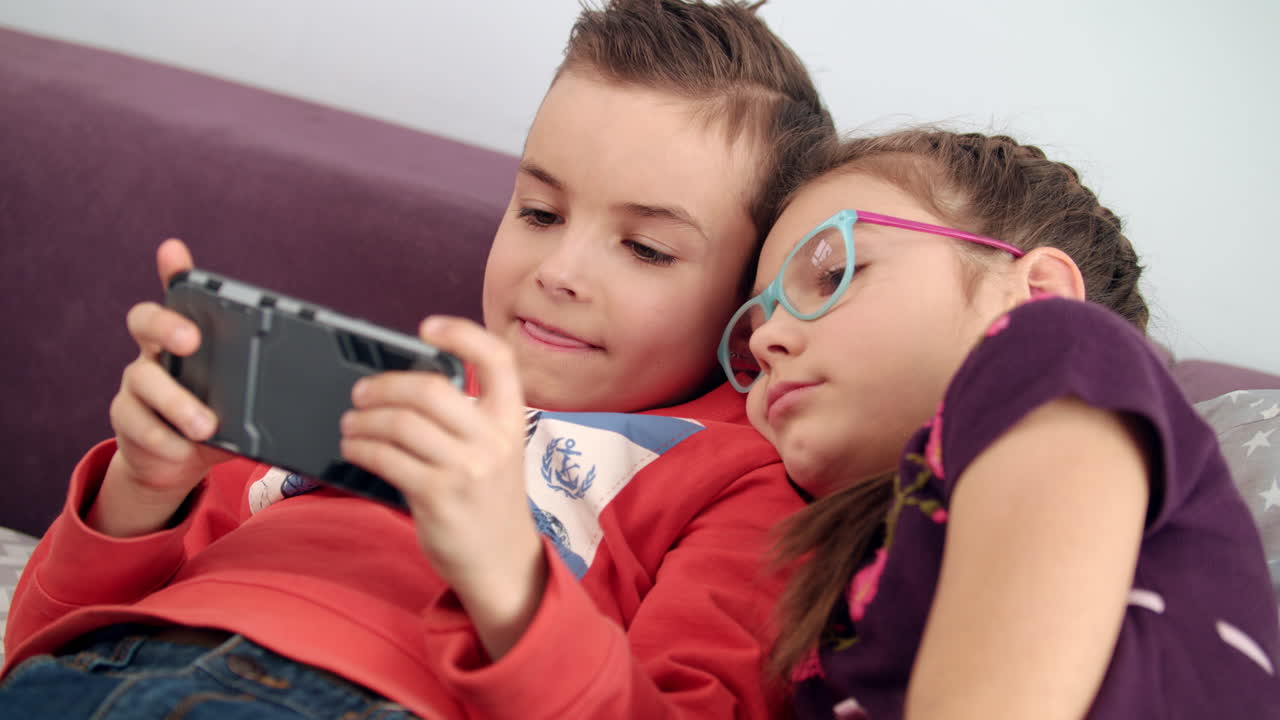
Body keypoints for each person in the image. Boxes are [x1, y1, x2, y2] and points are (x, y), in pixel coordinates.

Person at [0, 2, 835, 717]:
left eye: (647, 249)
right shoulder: (386, 387)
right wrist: (142, 491)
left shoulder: (743, 478)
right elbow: (39, 643)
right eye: (540, 212)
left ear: (750, 304)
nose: (558, 272)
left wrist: (512, 581)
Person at [718, 129, 1280, 718]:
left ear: (1038, 292)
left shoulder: (1060, 350)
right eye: (753, 325)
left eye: (833, 273)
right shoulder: (833, 582)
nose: (765, 339)